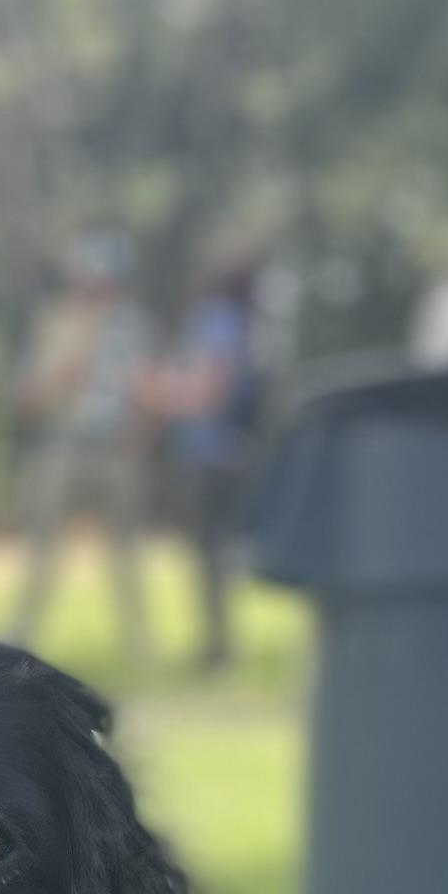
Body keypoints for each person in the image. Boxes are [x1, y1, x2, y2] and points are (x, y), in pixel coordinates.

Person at [11, 231, 155, 666]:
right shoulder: (53, 323)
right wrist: (60, 375)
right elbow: (24, 395)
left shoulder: (136, 327)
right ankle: (20, 635)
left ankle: (138, 642)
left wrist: (143, 434)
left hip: (116, 449)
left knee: (126, 551)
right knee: (43, 550)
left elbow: (150, 387)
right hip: (63, 446)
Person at [148, 244, 265, 673]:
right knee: (219, 553)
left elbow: (207, 393)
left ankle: (216, 647)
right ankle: (219, 642)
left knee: (208, 554)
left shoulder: (215, 320)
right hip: (233, 452)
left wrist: (159, 392)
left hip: (206, 455)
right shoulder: (246, 323)